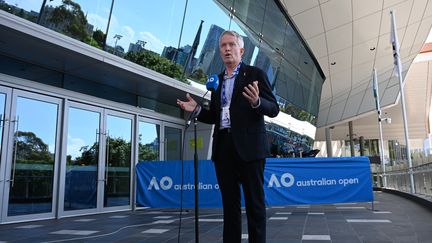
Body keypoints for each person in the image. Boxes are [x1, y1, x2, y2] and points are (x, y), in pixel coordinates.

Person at [176, 30, 279, 243]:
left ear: (241, 50)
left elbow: (274, 108)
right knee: (230, 207)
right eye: (223, 46)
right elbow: (215, 115)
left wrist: (257, 102)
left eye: (231, 44)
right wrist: (196, 110)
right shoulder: (216, 81)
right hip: (224, 149)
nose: (227, 49)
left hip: (250, 149)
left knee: (255, 205)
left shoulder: (255, 74)